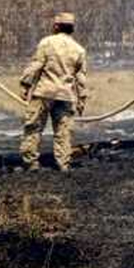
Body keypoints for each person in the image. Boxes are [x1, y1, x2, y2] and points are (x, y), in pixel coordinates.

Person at [19, 13, 88, 172]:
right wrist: (82, 100)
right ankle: (63, 164)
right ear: (72, 28)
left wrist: (25, 84)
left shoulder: (47, 42)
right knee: (63, 132)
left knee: (33, 128)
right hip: (66, 96)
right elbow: (81, 78)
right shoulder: (79, 49)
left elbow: (36, 65)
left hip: (44, 93)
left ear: (56, 26)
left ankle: (31, 163)